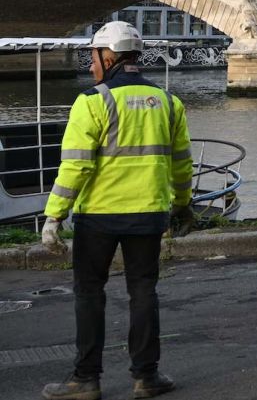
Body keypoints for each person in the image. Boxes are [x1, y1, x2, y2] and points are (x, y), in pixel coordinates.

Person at [40, 21, 193, 400]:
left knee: (89, 293)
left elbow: (75, 165)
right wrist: (183, 206)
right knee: (143, 291)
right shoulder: (169, 103)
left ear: (108, 56)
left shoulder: (93, 102)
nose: (91, 64)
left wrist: (54, 216)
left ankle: (86, 379)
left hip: (100, 217)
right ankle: (146, 377)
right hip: (149, 215)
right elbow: (181, 164)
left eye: (92, 56)